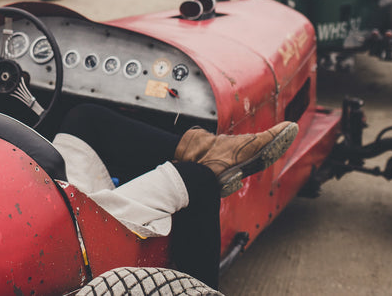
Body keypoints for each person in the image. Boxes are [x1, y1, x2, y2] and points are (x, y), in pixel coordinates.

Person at [53, 104, 297, 289]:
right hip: (61, 240)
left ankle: (212, 151)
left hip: (42, 200)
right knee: (198, 180)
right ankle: (215, 159)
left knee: (84, 119)